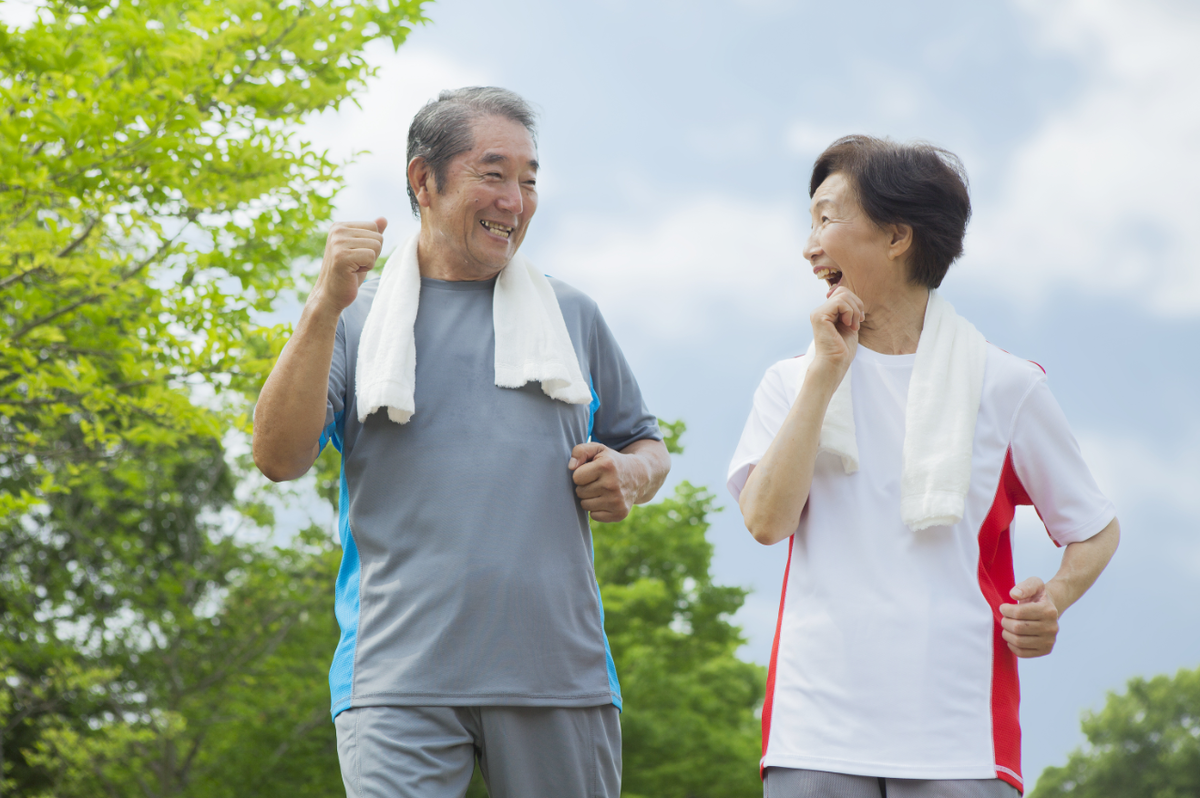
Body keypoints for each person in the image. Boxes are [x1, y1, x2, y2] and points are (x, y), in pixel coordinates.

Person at [252, 87, 669, 798]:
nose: (516, 199)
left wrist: (629, 474)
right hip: (395, 680)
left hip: (557, 677)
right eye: (494, 173)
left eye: (529, 180)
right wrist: (324, 304)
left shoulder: (573, 316)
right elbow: (279, 457)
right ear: (423, 180)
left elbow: (645, 444)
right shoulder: (353, 322)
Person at [727, 135, 1118, 797]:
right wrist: (825, 376)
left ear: (897, 236)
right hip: (815, 727)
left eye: (827, 218)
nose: (809, 244)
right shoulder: (791, 380)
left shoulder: (1006, 385)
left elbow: (1094, 527)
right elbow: (765, 522)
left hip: (960, 733)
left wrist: (1051, 598)